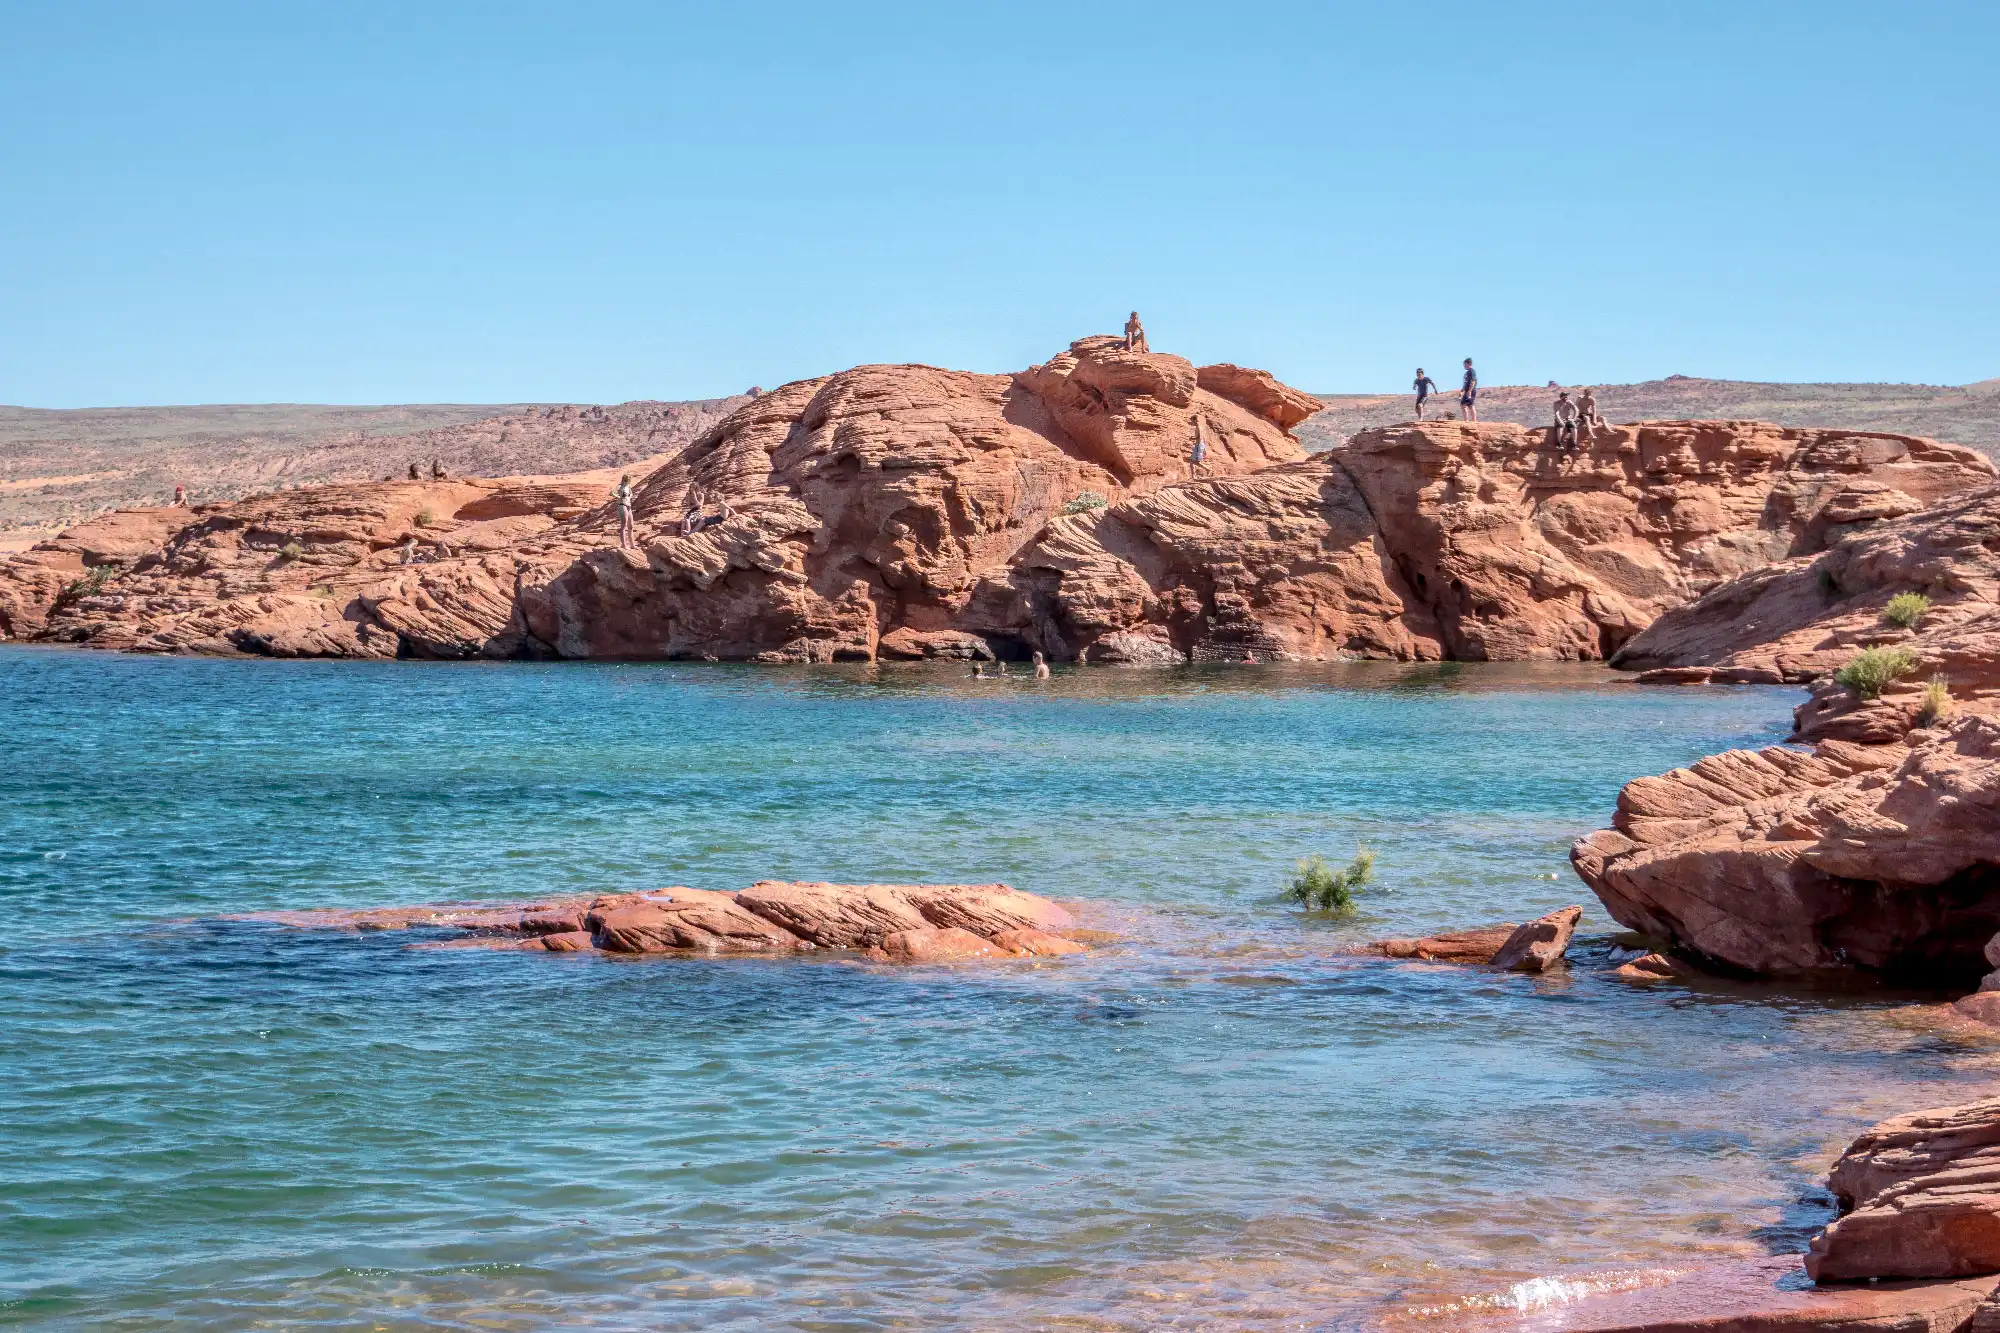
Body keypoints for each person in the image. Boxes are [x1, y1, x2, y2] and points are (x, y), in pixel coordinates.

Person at [613, 475, 635, 550]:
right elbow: (612, 493)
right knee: (624, 525)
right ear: (626, 479)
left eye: (630, 479)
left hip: (628, 505)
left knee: (631, 525)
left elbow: (631, 494)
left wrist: (629, 497)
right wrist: (619, 497)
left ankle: (632, 544)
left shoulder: (628, 487)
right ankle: (624, 545)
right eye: (629, 479)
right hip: (622, 505)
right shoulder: (620, 486)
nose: (630, 480)